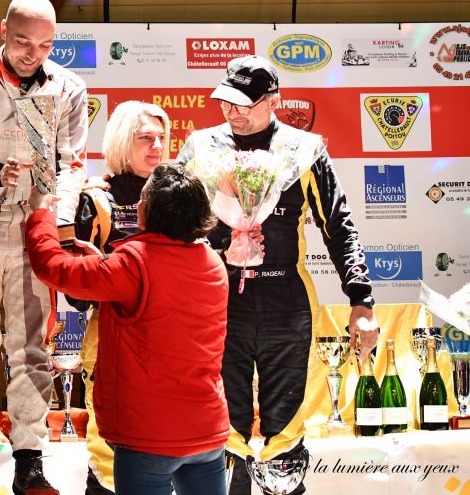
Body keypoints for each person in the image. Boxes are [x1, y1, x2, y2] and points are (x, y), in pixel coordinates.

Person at [177, 55, 378, 495]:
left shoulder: (304, 149)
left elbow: (338, 225)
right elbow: (175, 223)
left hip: (287, 296)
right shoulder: (200, 147)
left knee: (285, 421)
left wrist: (361, 302)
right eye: (227, 101)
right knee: (218, 416)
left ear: (273, 101)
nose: (234, 111)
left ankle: (282, 481)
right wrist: (219, 247)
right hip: (218, 295)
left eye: (246, 103)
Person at [0, 0, 88, 495]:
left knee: (32, 347)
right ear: (3, 29)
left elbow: (71, 162)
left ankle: (30, 459)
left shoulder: (70, 86)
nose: (33, 54)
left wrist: (59, 218)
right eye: (24, 41)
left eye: (45, 45)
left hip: (37, 225)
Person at [27, 162, 229, 495]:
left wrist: (41, 218)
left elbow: (54, 268)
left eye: (143, 199)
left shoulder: (134, 263)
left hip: (148, 435)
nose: (137, 204)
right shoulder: (212, 262)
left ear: (152, 210)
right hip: (207, 433)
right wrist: (101, 260)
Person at [72, 100, 171, 494]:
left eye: (162, 137)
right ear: (120, 142)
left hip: (169, 336)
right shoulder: (98, 198)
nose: (156, 146)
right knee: (109, 439)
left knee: (166, 440)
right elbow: (78, 292)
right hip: (113, 333)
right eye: (145, 137)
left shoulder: (179, 194)